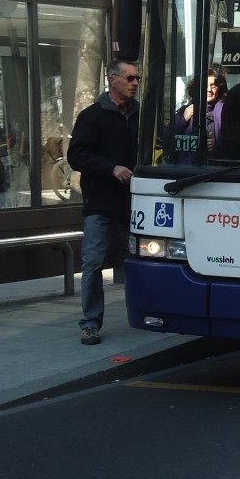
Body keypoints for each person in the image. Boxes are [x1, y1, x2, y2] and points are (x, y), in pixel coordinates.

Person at [67, 60, 140, 345]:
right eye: (130, 78)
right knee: (93, 263)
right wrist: (111, 168)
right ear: (112, 80)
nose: (135, 83)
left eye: (137, 79)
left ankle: (148, 313)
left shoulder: (141, 114)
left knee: (143, 260)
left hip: (134, 203)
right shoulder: (92, 116)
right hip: (100, 202)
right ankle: (90, 323)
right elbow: (76, 156)